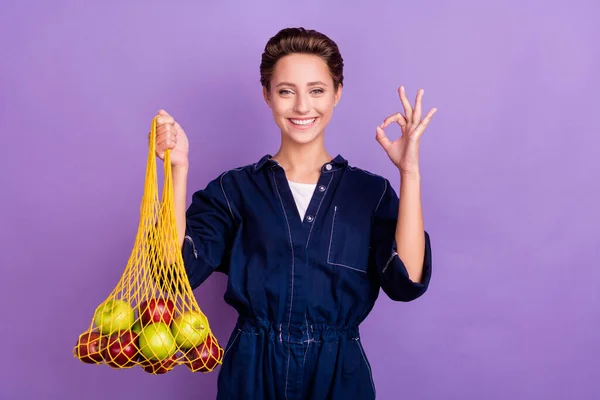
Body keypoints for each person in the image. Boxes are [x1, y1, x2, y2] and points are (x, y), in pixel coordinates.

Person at [152, 27, 436, 400]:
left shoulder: (370, 193)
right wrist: (178, 170)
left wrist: (409, 173)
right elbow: (173, 273)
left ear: (337, 93)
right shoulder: (234, 190)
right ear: (267, 96)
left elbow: (407, 281)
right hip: (252, 371)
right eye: (287, 91)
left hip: (339, 373)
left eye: (317, 90)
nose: (303, 107)